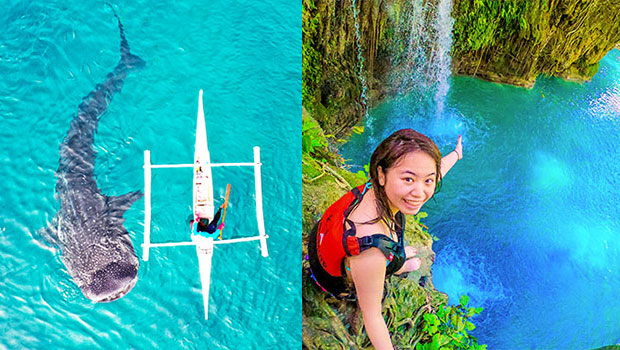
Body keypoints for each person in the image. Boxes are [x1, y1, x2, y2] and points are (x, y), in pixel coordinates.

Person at [308, 129, 462, 350]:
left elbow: (432, 176)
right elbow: (372, 316)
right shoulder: (370, 247)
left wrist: (456, 154)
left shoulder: (376, 189)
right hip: (336, 279)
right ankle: (397, 266)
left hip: (324, 241)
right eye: (408, 178)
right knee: (386, 255)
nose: (420, 192)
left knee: (393, 249)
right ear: (382, 174)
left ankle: (398, 261)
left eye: (427, 181)